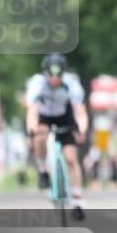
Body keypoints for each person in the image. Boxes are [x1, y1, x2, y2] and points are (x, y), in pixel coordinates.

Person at [25, 54, 89, 220]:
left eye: (58, 76)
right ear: (44, 73)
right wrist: (31, 131)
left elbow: (80, 112)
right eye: (51, 76)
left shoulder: (71, 83)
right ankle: (43, 170)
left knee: (70, 157)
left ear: (64, 73)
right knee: (40, 136)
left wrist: (81, 130)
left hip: (64, 115)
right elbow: (32, 111)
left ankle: (77, 201)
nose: (54, 79)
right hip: (44, 116)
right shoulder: (37, 84)